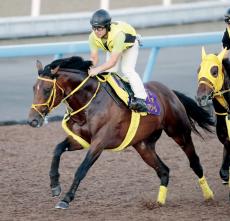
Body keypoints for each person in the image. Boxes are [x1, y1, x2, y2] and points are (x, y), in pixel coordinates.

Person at [88, 9, 148, 112]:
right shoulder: (92, 37)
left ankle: (141, 99)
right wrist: (90, 68)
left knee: (127, 69)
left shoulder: (118, 35)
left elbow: (113, 62)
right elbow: (94, 58)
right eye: (94, 28)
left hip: (129, 45)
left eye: (100, 28)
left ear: (107, 27)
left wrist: (97, 70)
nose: (97, 31)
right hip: (113, 47)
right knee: (109, 73)